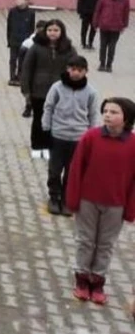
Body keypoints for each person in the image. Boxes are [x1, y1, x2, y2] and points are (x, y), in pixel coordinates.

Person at [65, 97, 135, 306]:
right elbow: (76, 169)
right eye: (105, 111)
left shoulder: (133, 145)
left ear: (127, 118)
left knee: (105, 245)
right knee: (85, 240)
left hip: (116, 205)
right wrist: (73, 198)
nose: (107, 115)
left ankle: (97, 281)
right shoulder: (91, 137)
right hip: (88, 201)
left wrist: (130, 208)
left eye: (114, 112)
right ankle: (82, 279)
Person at [42, 55, 99, 215]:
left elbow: (93, 114)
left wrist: (92, 135)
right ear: (67, 69)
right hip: (58, 136)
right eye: (73, 69)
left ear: (86, 72)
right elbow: (48, 108)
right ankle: (54, 197)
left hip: (78, 139)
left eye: (80, 70)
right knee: (54, 170)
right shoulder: (57, 87)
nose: (75, 73)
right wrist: (46, 129)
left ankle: (67, 199)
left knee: (72, 171)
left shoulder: (91, 92)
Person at [21, 19, 78, 159]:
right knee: (39, 118)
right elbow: (27, 69)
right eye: (50, 30)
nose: (53, 33)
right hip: (38, 90)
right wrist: (26, 90)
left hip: (60, 91)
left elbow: (74, 69)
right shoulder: (36, 47)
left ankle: (48, 145)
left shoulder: (69, 49)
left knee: (54, 119)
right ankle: (36, 145)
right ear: (45, 31)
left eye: (56, 30)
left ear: (61, 32)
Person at [92, 0, 129, 73]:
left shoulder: (125, 0)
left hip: (116, 27)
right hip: (104, 25)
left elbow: (126, 13)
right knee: (103, 46)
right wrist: (95, 23)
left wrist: (124, 25)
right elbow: (97, 11)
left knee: (112, 47)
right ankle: (102, 64)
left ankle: (109, 65)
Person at [6, 0, 36, 86]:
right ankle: (12, 77)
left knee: (22, 60)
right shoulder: (12, 11)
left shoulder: (31, 13)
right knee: (13, 59)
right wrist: (9, 39)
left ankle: (20, 77)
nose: (18, 1)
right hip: (14, 39)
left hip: (24, 40)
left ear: (27, 1)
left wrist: (30, 41)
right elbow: (9, 26)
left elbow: (32, 27)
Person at [20, 20, 48, 118]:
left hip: (42, 72)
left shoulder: (49, 43)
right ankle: (28, 106)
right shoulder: (29, 42)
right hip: (31, 71)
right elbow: (22, 58)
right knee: (29, 91)